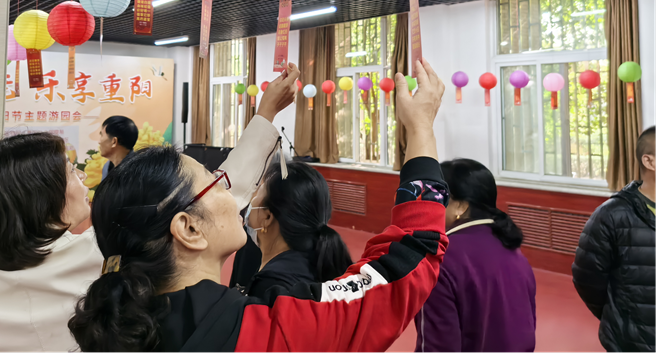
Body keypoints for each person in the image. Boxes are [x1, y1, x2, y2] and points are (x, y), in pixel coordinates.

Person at [69, 59, 450, 353]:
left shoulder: (121, 325)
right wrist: (420, 128)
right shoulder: (270, 332)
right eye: (213, 181)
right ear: (188, 229)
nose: (233, 192)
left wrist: (264, 114)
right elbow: (411, 255)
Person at [0, 66, 300, 352]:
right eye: (69, 172)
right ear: (41, 202)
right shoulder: (105, 255)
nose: (80, 177)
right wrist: (265, 114)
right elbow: (216, 194)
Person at [413, 158, 536, 353]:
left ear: (460, 206)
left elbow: (437, 346)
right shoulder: (513, 250)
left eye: (432, 197)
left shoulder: (439, 260)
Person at [573, 125, 656, 353]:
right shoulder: (611, 215)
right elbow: (587, 279)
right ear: (649, 162)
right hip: (632, 344)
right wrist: (622, 319)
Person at [242, 160, 353, 298]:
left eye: (257, 193)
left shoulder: (271, 287)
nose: (250, 200)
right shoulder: (320, 259)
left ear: (267, 217)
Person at [99, 115, 138, 181]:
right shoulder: (107, 167)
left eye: (102, 135)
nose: (99, 142)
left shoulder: (138, 171)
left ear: (114, 141)